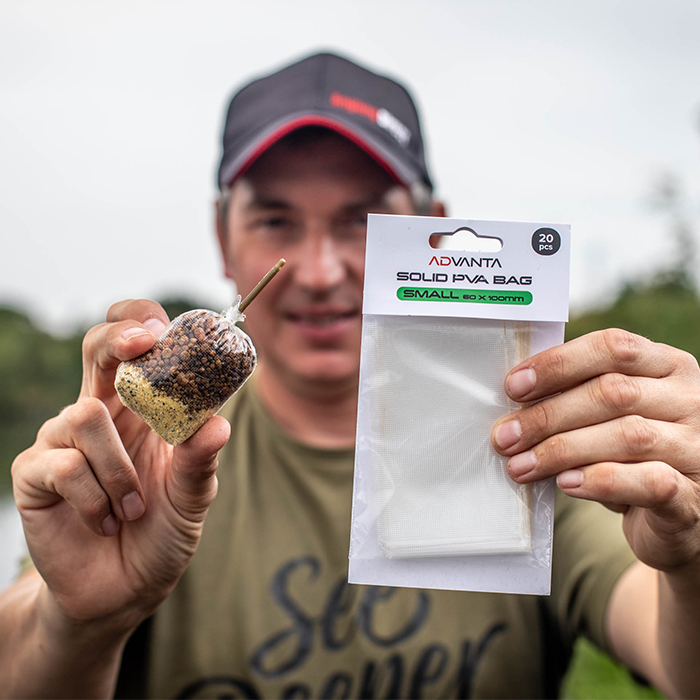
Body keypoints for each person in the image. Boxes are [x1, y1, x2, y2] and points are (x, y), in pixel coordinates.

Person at [2, 51, 700, 699]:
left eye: (361, 221)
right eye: (275, 220)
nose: (317, 271)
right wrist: (77, 622)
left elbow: (676, 661)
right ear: (222, 236)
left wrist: (691, 557)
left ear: (432, 229)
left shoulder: (530, 446)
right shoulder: (146, 459)